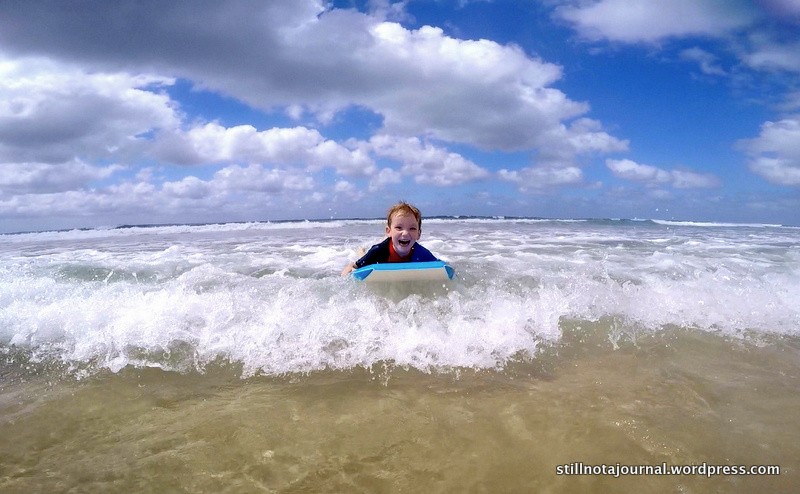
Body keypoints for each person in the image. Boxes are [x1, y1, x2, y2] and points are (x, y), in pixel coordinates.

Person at [341, 202, 439, 276]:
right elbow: (354, 266)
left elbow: (440, 267)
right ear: (388, 231)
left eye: (412, 228)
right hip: (384, 248)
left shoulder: (420, 252)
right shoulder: (379, 251)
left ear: (419, 234)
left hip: (391, 243)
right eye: (399, 227)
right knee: (366, 257)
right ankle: (361, 251)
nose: (405, 233)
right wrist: (348, 272)